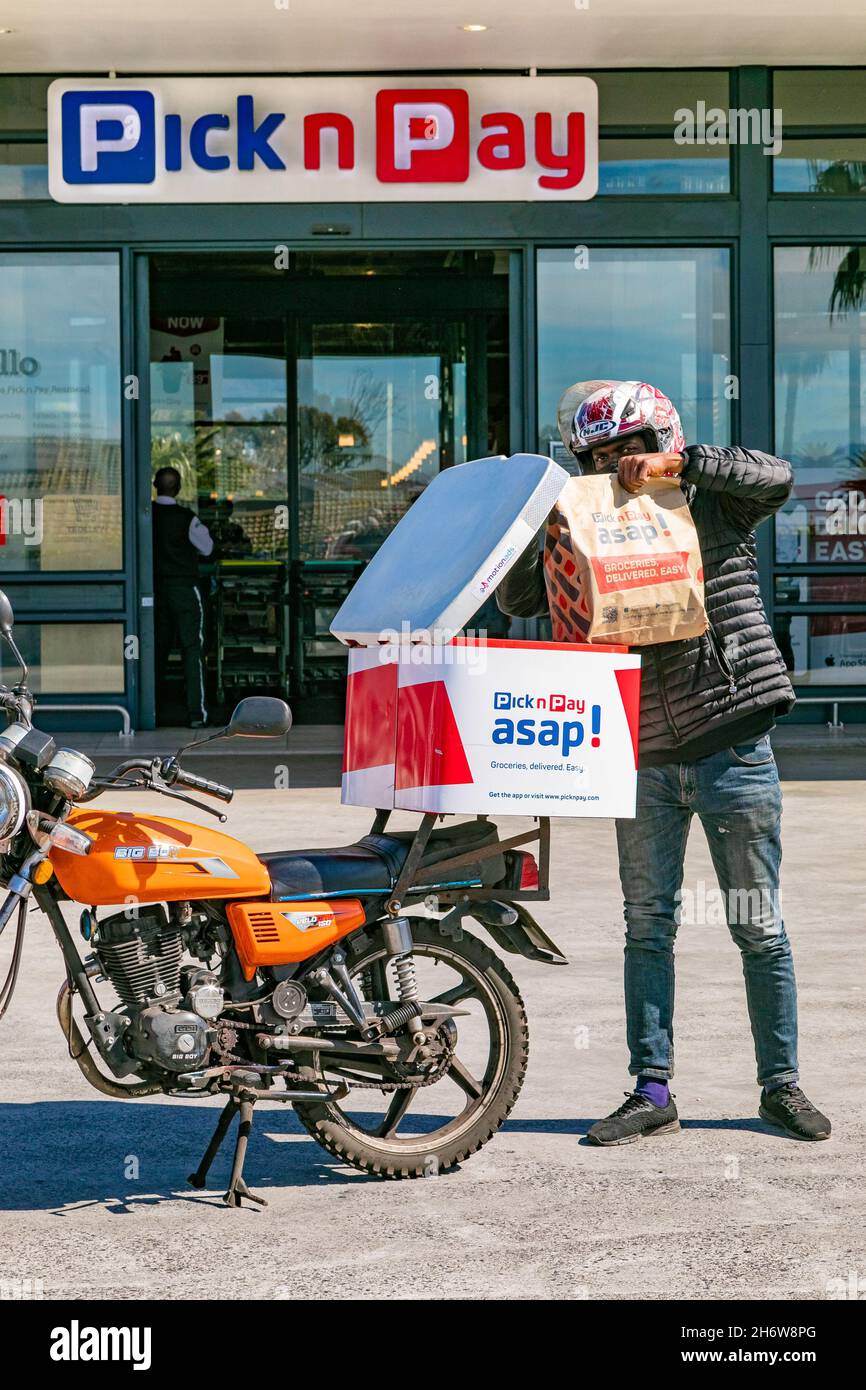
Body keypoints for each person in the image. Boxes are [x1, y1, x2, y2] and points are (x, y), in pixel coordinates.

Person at [497, 380, 831, 1144]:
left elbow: (775, 476)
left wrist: (683, 466)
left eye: (630, 448)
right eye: (600, 455)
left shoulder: (713, 505)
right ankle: (652, 1089)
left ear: (661, 440)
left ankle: (781, 1085)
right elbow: (520, 599)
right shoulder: (583, 526)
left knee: (758, 924)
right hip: (641, 756)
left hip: (733, 745)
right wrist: (547, 521)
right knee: (646, 927)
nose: (617, 464)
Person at [152, 465, 213, 728]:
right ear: (178, 489)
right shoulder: (186, 517)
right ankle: (196, 713)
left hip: (154, 591)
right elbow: (207, 547)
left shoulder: (145, 516)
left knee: (156, 650)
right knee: (192, 649)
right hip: (184, 590)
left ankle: (152, 709)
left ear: (155, 486)